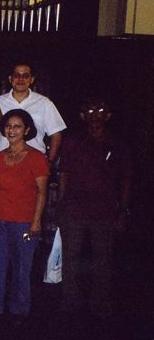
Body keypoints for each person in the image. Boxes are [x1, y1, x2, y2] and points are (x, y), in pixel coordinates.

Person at [58, 98, 132, 317]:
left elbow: (126, 180)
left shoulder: (117, 144)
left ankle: (101, 302)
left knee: (103, 258)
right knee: (71, 257)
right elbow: (64, 173)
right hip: (74, 208)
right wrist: (61, 205)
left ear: (108, 116)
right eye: (90, 111)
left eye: (100, 111)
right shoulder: (73, 141)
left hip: (105, 210)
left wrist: (122, 211)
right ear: (82, 116)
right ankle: (70, 302)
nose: (95, 115)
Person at [0, 109, 49, 319]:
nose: (12, 130)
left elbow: (42, 192)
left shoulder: (36, 158)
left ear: (26, 130)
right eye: (8, 126)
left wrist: (36, 221)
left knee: (21, 268)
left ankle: (19, 310)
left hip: (24, 223)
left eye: (17, 126)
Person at [0, 62, 66, 165]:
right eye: (16, 76)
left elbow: (56, 135)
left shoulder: (44, 103)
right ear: (10, 79)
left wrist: (49, 162)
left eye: (25, 76)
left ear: (31, 79)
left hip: (34, 161)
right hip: (4, 161)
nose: (20, 79)